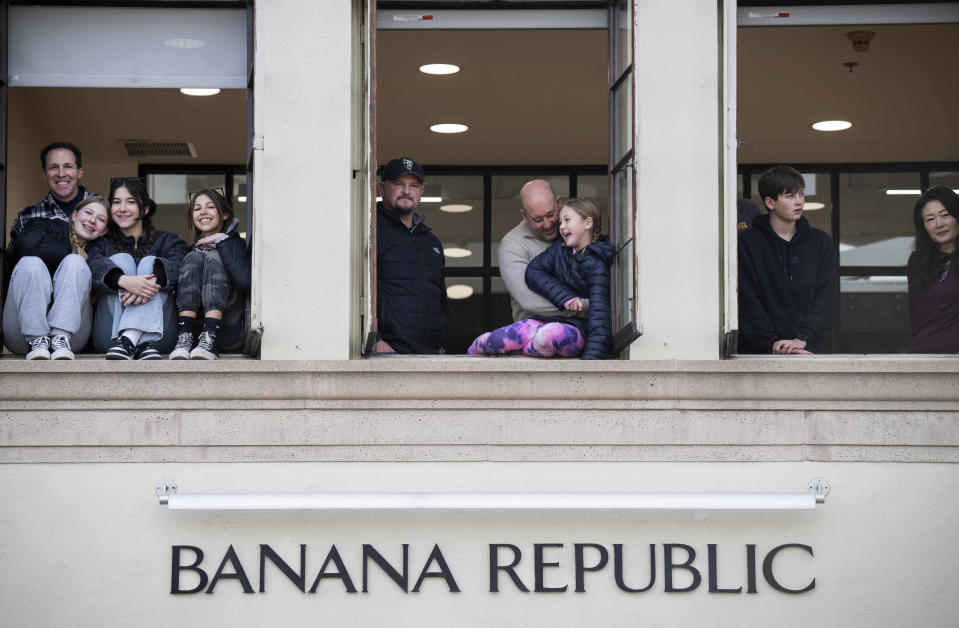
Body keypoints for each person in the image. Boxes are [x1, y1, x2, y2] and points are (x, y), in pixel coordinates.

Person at [468, 198, 614, 360]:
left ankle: (529, 348)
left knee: (550, 335)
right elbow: (534, 271)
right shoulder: (560, 248)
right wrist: (565, 297)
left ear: (587, 223)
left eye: (567, 220)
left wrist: (591, 362)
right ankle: (476, 350)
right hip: (546, 321)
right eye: (560, 222)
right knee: (507, 335)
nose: (561, 227)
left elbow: (600, 315)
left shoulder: (598, 262)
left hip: (578, 330)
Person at [86, 177, 188, 359]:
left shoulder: (168, 241)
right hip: (110, 336)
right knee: (121, 260)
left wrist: (147, 282)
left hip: (158, 338)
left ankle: (130, 339)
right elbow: (91, 267)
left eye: (130, 202)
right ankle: (127, 339)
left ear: (145, 209)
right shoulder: (100, 244)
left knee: (151, 263)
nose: (123, 208)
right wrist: (123, 281)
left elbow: (182, 267)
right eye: (117, 202)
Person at [738, 165, 836, 355]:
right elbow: (748, 301)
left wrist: (802, 339)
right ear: (770, 202)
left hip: (811, 350)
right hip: (759, 354)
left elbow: (826, 299)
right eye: (790, 196)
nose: (799, 201)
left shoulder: (820, 242)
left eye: (801, 194)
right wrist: (775, 344)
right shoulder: (747, 243)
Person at [3, 196, 109, 359]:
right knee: (30, 263)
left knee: (75, 263)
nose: (92, 220)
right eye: (88, 213)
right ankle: (37, 338)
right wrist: (73, 251)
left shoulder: (103, 249)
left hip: (71, 339)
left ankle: (59, 336)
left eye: (100, 219)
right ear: (74, 216)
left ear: (105, 230)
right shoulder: (43, 225)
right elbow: (27, 246)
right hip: (21, 334)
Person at [375, 157, 447, 354]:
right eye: (398, 184)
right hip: (387, 354)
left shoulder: (432, 242)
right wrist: (376, 342)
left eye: (413, 185)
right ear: (382, 188)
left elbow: (440, 299)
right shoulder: (370, 231)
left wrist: (440, 344)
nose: (406, 191)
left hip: (430, 355)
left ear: (421, 192)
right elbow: (354, 292)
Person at [169, 188, 251, 360]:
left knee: (214, 256)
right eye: (197, 208)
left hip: (227, 330)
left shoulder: (236, 244)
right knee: (194, 257)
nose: (203, 212)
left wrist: (221, 240)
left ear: (225, 214)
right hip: (194, 336)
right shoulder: (188, 251)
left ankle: (210, 336)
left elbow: (244, 281)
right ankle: (184, 337)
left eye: (210, 207)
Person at [498, 179, 587, 323]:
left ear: (559, 203)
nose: (547, 224)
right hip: (536, 338)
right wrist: (586, 306)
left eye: (551, 214)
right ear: (524, 216)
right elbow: (529, 300)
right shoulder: (512, 245)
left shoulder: (577, 228)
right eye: (538, 219)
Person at [907, 186, 959, 353]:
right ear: (924, 226)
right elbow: (915, 314)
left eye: (945, 215)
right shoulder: (917, 261)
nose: (939, 224)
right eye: (930, 219)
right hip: (922, 356)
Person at [9, 141, 95, 239]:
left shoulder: (105, 210)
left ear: (79, 172)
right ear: (44, 174)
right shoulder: (26, 218)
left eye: (68, 166)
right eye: (53, 167)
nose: (61, 174)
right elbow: (14, 254)